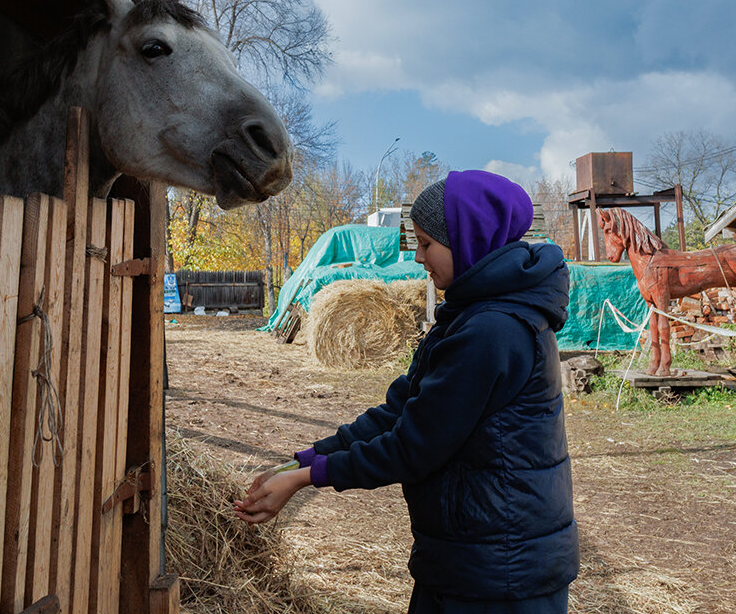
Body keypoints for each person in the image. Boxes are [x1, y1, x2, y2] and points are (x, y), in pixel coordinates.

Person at [235, 170, 578, 613]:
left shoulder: (492, 330)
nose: (418, 257)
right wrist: (305, 458)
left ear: (468, 240)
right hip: (473, 555)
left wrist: (307, 478)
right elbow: (399, 410)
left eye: (426, 243)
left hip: (501, 572)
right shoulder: (471, 315)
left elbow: (414, 445)